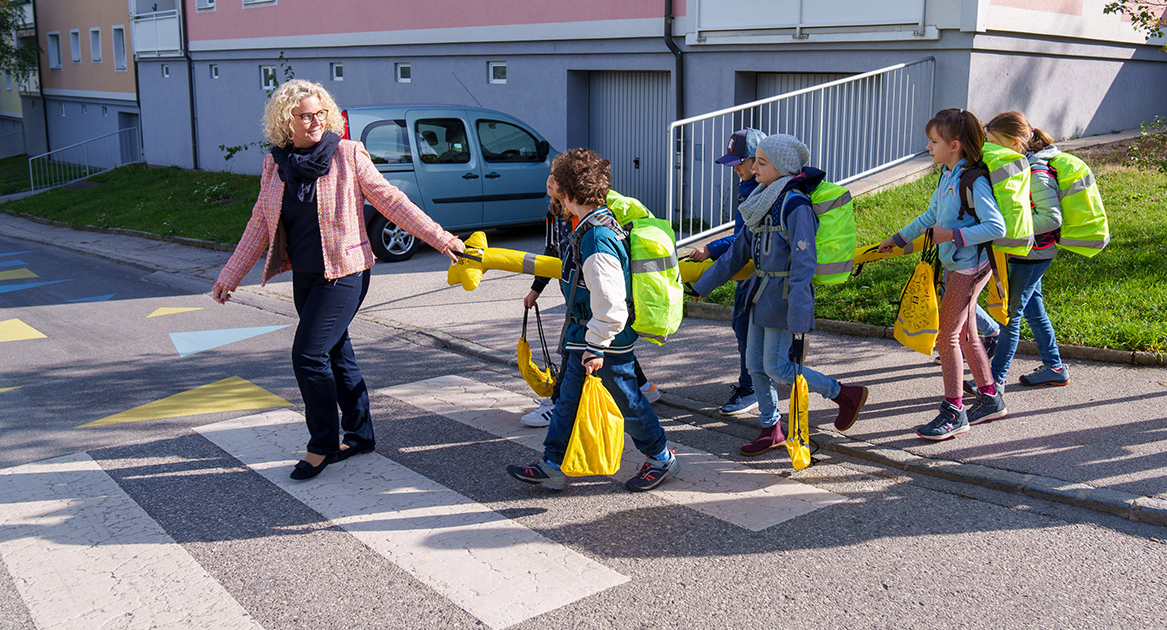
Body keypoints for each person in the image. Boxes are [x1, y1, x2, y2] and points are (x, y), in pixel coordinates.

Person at [211, 80, 465, 480]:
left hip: (346, 273)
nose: (314, 121)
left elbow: (390, 200)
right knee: (335, 354)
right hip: (306, 277)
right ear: (285, 121)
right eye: (304, 115)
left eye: (319, 113)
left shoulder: (347, 155)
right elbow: (260, 223)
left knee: (308, 355)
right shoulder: (274, 166)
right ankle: (360, 434)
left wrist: (440, 238)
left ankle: (322, 445)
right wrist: (230, 274)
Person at [507, 148, 679, 492]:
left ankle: (661, 456)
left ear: (568, 194)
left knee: (627, 400)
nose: (551, 184)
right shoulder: (590, 226)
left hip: (604, 340)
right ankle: (553, 464)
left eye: (557, 180)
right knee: (567, 399)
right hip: (584, 334)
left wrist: (597, 345)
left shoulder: (597, 238)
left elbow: (612, 304)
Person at [692, 134, 869, 457]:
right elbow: (736, 254)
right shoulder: (761, 201)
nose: (754, 169)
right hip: (760, 296)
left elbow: (805, 263)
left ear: (782, 168)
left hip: (785, 297)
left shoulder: (795, 205)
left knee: (778, 367)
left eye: (762, 163)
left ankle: (844, 394)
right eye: (755, 161)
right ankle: (770, 427)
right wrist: (701, 286)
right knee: (756, 365)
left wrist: (801, 313)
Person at [878, 108, 1006, 439]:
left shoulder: (973, 180)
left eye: (934, 141)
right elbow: (931, 215)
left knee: (946, 338)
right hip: (957, 263)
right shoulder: (949, 176)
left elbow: (995, 226)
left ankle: (954, 412)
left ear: (955, 145)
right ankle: (990, 398)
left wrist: (953, 236)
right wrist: (897, 239)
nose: (928, 147)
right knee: (965, 335)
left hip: (969, 266)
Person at [520, 175, 661, 428]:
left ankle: (658, 450)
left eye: (556, 175)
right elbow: (552, 251)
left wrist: (596, 344)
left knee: (610, 372)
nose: (550, 180)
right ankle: (554, 452)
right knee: (601, 362)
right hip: (581, 303)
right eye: (549, 174)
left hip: (592, 306)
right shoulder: (555, 212)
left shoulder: (594, 228)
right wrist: (536, 289)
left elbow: (609, 293)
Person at [963, 111, 1070, 394]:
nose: (989, 148)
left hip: (1034, 254)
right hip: (1026, 253)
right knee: (1034, 310)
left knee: (1009, 315)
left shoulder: (1036, 171)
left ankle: (994, 381)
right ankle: (1055, 367)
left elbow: (1052, 218)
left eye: (993, 142)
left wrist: (1011, 229)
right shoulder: (1019, 165)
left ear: (1014, 142)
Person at [687, 128, 765, 416]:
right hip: (748, 272)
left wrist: (711, 249)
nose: (735, 170)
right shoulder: (750, 188)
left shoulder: (761, 192)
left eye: (738, 164)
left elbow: (745, 238)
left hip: (756, 273)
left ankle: (752, 388)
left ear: (756, 161)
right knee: (744, 328)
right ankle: (754, 385)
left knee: (746, 329)